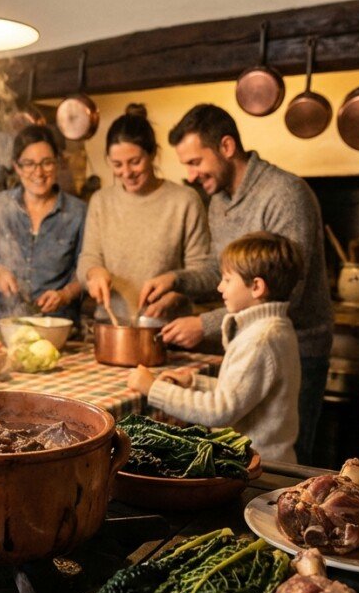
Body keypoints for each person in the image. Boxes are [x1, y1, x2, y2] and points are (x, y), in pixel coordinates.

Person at [138, 104, 333, 464]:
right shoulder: (219, 201)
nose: (191, 175)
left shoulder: (285, 194)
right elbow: (220, 269)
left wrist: (205, 324)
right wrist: (175, 282)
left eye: (195, 162)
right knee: (245, 449)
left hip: (297, 348)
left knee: (283, 467)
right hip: (251, 338)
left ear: (226, 147)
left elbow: (290, 289)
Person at [128, 232, 302, 463]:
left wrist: (152, 389)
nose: (220, 287)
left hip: (258, 468)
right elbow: (242, 393)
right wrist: (194, 383)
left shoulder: (259, 340)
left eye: (228, 280)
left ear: (257, 287)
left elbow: (220, 411)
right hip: (262, 460)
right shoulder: (274, 328)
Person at [76, 104, 209, 324]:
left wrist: (176, 295)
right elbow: (88, 257)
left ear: (153, 153)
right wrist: (93, 273)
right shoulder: (101, 201)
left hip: (165, 328)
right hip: (111, 324)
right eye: (117, 164)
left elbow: (201, 271)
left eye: (135, 162)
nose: (126, 173)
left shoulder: (184, 200)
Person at [0, 124, 86, 326]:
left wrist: (65, 294)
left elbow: (87, 270)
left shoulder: (77, 212)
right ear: (16, 167)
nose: (39, 172)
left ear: (58, 163)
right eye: (28, 164)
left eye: (47, 163)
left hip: (58, 327)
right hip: (4, 325)